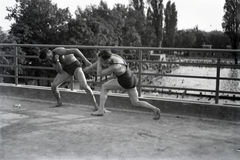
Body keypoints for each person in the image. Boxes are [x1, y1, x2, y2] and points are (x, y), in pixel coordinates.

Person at [84, 50, 161, 120]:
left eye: (102, 61)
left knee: (104, 86)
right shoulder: (113, 56)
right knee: (135, 102)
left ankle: (100, 110)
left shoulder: (115, 67)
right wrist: (90, 67)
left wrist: (99, 62)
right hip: (132, 78)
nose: (101, 63)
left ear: (107, 60)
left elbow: (99, 73)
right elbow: (100, 60)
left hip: (125, 81)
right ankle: (155, 109)